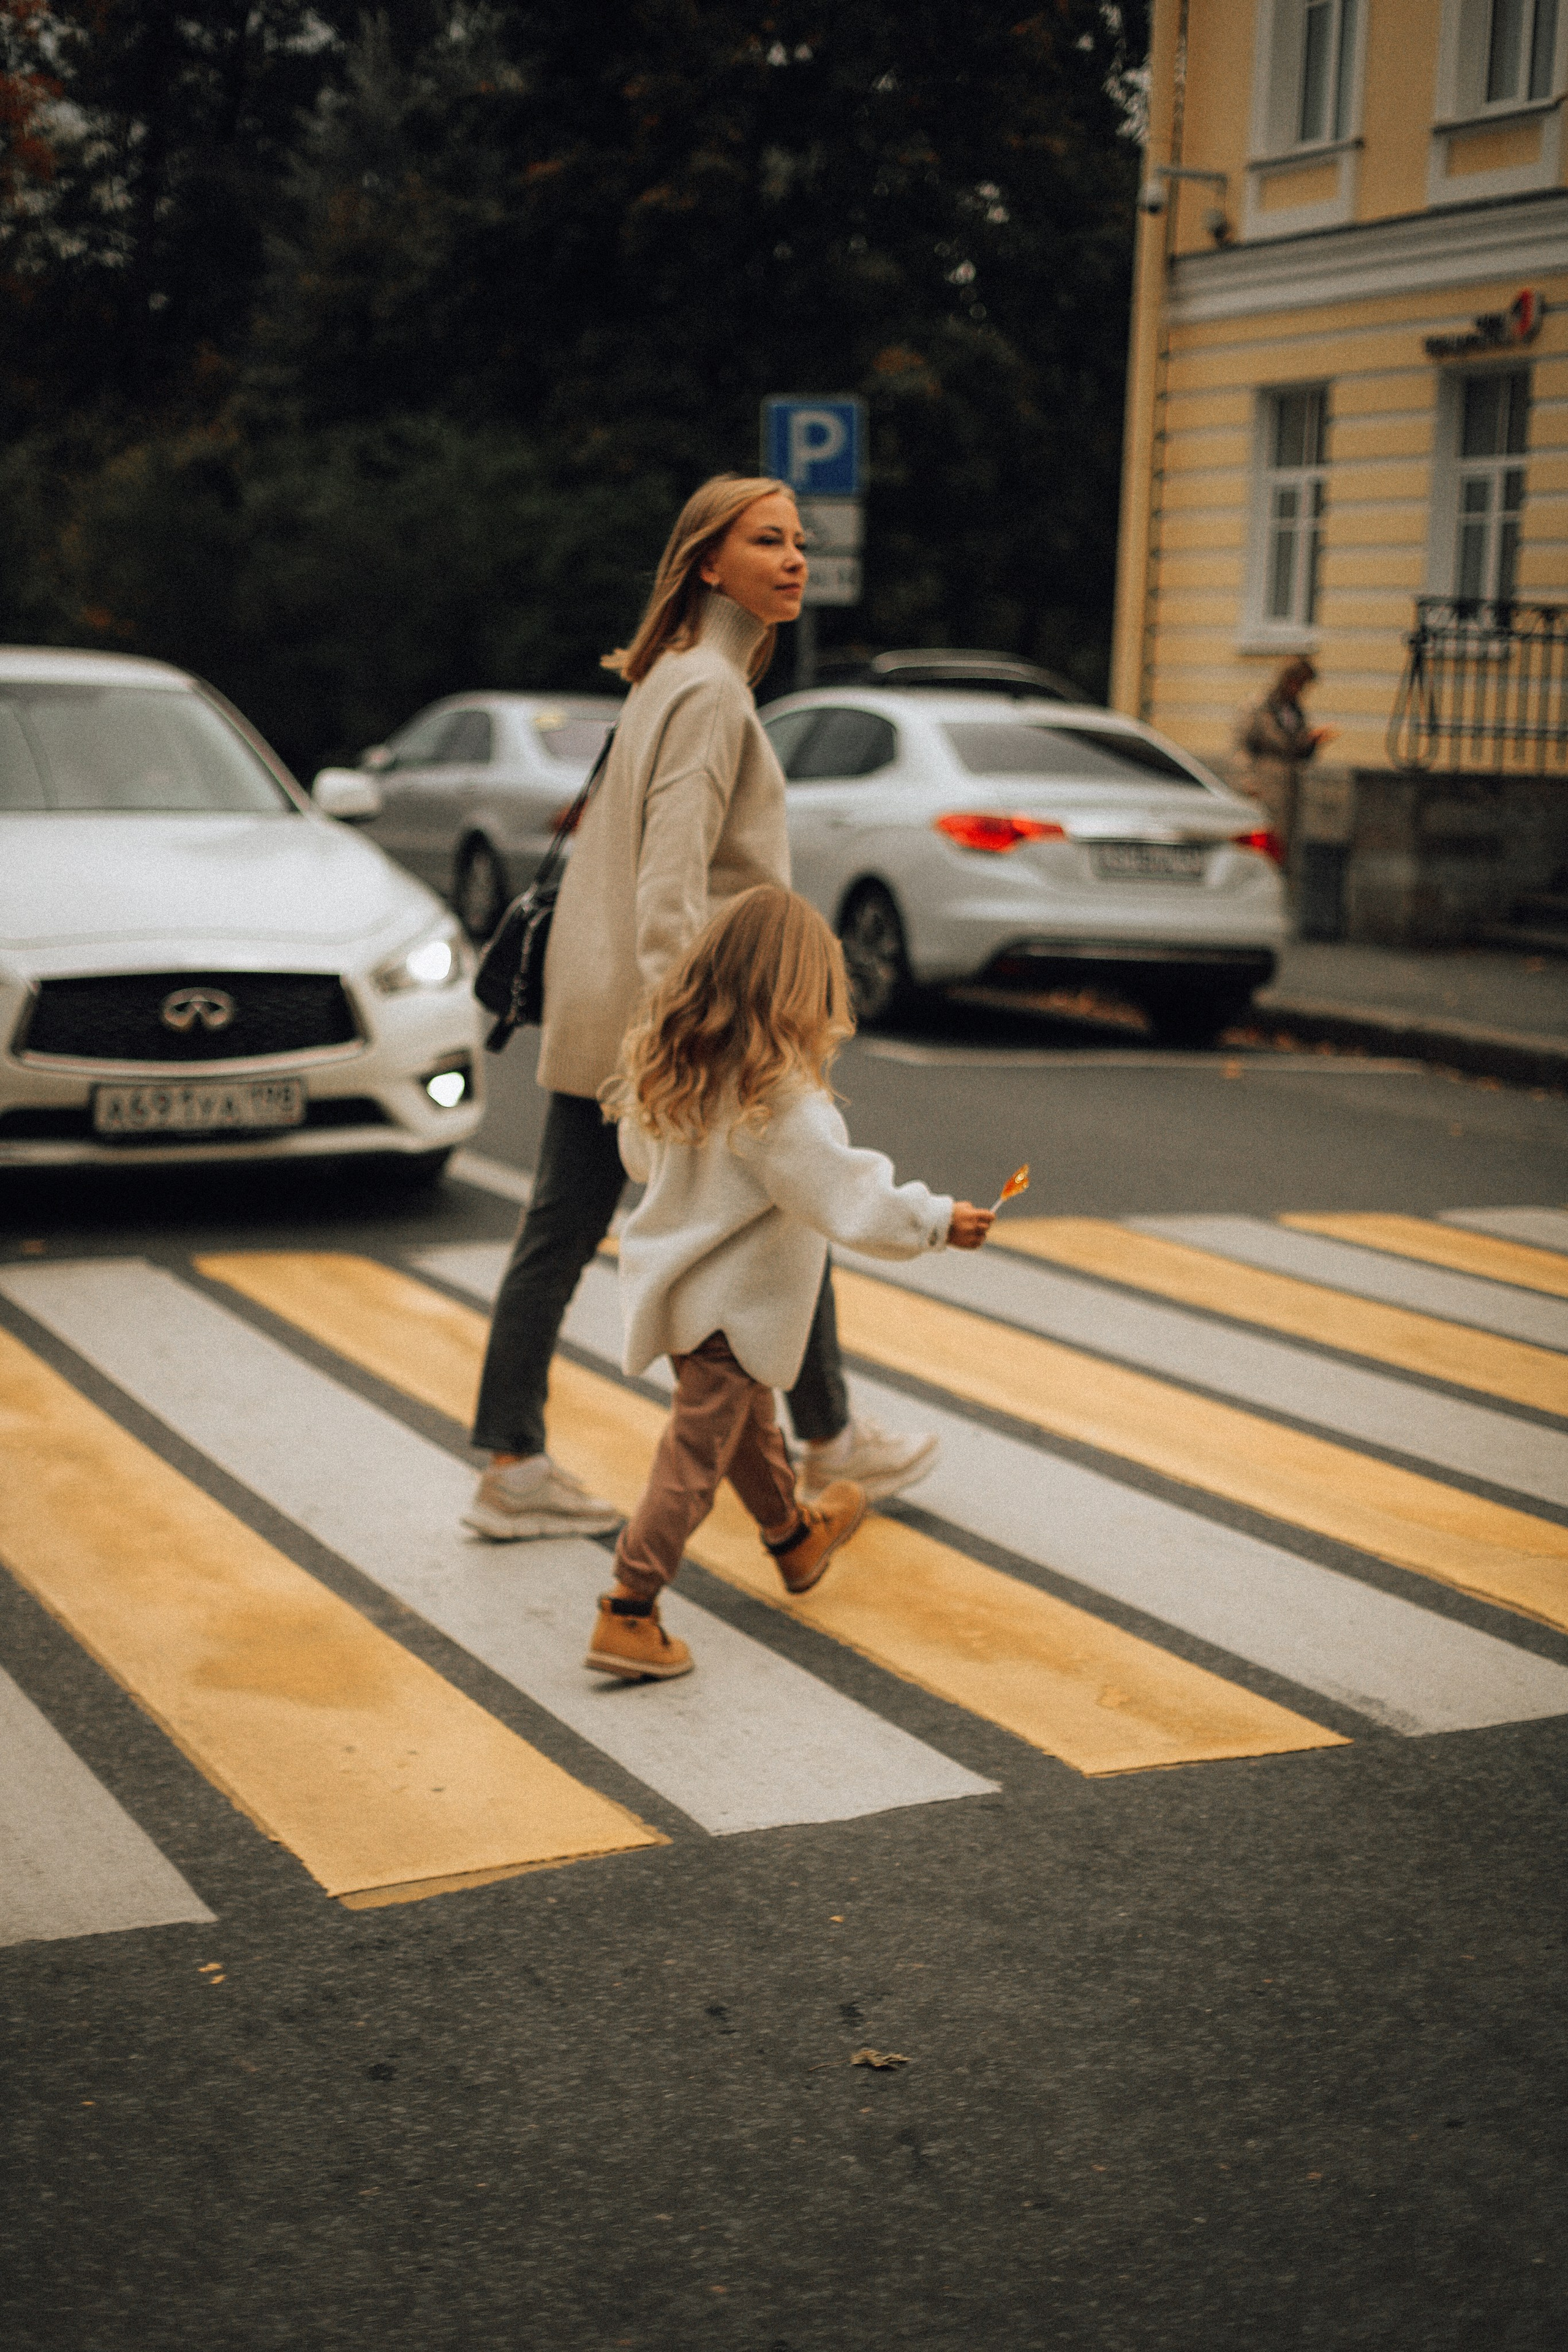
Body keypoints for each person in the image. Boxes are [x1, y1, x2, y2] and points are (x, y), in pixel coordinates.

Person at [463, 473, 938, 1542]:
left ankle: (522, 1456)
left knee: (621, 1223)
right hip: (681, 1023)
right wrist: (703, 1032)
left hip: (619, 1016)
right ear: (707, 562)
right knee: (782, 1197)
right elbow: (672, 885)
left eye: (800, 541)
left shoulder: (673, 676)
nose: (796, 558)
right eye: (768, 540)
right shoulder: (711, 692)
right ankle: (523, 1461)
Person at [584, 886, 994, 1681]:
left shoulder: (684, 1068)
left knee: (749, 1431)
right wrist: (939, 1221)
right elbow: (849, 1195)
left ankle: (795, 1539)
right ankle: (629, 1608)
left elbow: (642, 1158)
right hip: (730, 1311)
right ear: (805, 992)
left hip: (684, 1301)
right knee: (692, 1460)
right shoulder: (781, 1101)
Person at [1238, 657, 1335, 859]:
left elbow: (1297, 747)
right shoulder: (1261, 706)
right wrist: (1249, 782)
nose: (1299, 690)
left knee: (1286, 846)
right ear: (1287, 680)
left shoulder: (1294, 710)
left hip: (1290, 787)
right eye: (1298, 683)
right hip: (1265, 784)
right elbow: (1243, 746)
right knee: (1264, 844)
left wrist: (1311, 742)